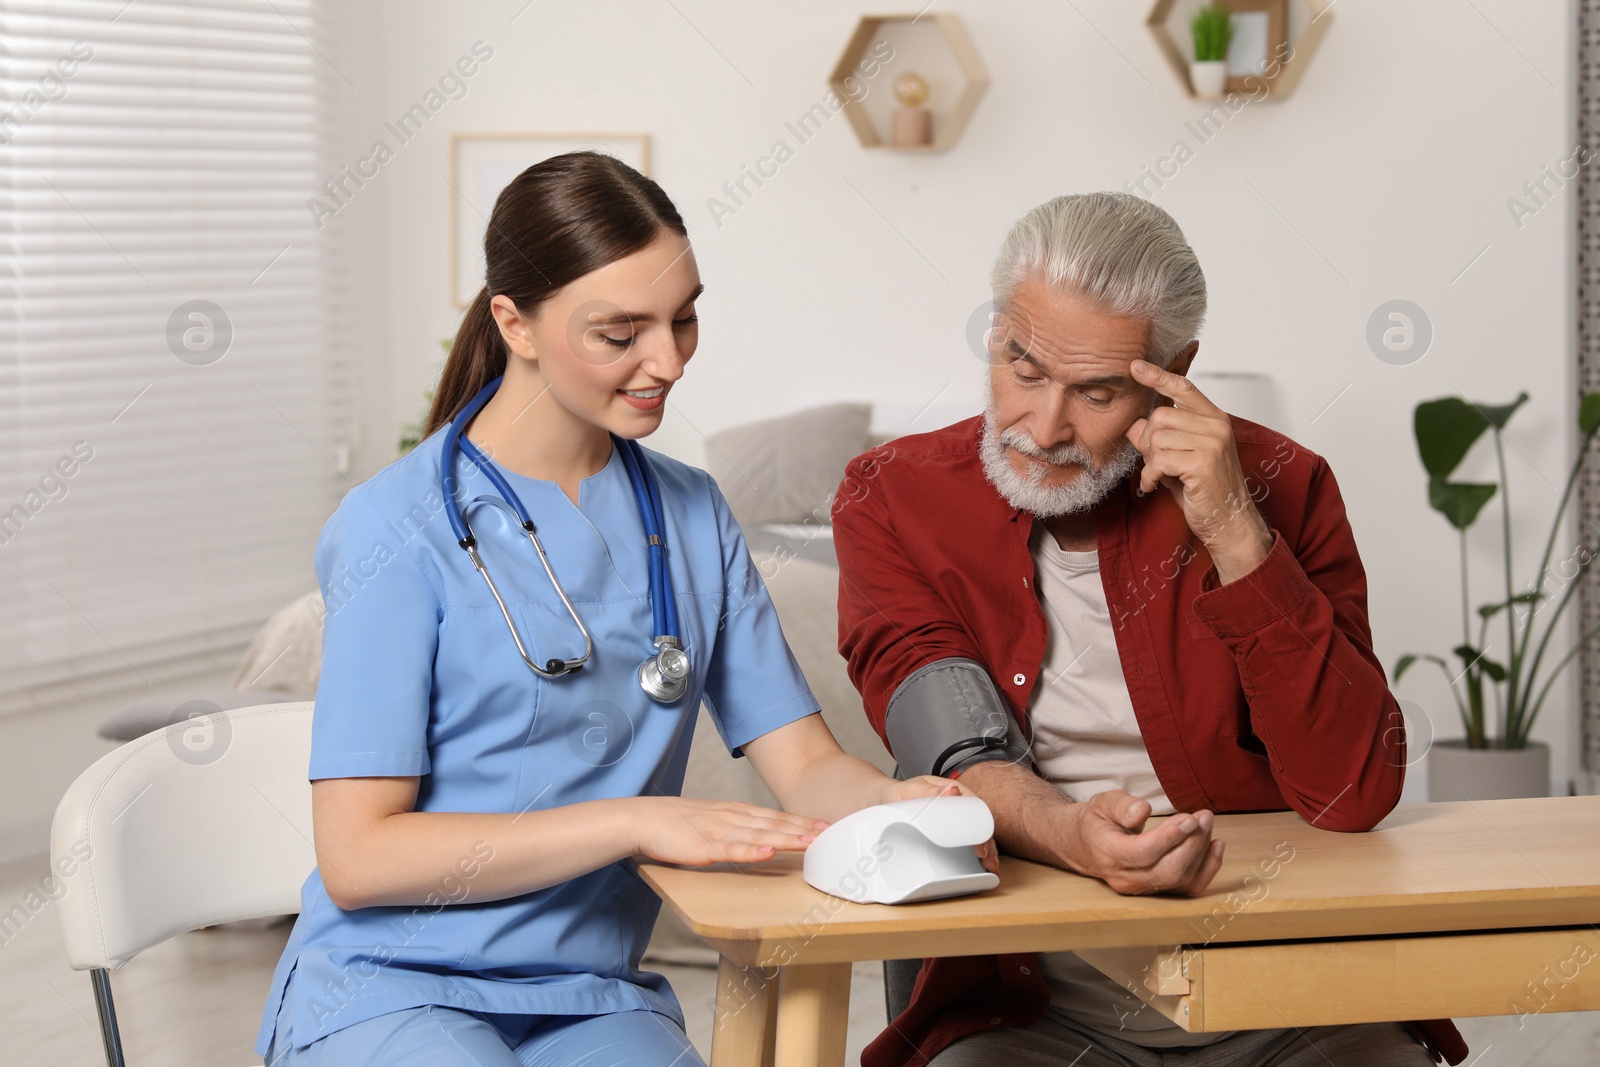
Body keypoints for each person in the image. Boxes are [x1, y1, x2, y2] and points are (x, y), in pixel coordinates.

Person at [254, 151, 991, 1067]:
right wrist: (638, 820)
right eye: (621, 331)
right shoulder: (392, 527)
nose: (668, 359)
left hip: (591, 996)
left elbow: (804, 765)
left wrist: (893, 804)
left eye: (684, 318)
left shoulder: (690, 515)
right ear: (513, 323)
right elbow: (359, 860)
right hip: (389, 984)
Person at [833, 192, 1467, 1067]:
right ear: (994, 333)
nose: (1044, 427)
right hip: (1029, 1013)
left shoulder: (1287, 482)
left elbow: (1353, 790)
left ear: (1175, 372)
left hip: (1298, 994)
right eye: (1023, 366)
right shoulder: (892, 497)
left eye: (1095, 392)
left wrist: (1238, 532)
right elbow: (950, 751)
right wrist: (1076, 840)